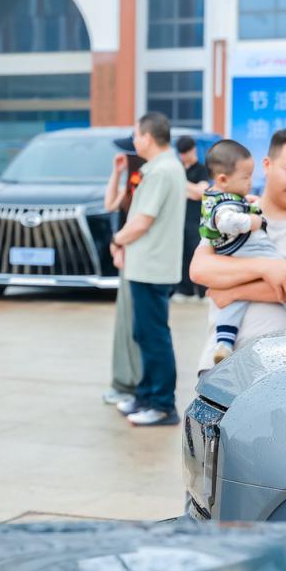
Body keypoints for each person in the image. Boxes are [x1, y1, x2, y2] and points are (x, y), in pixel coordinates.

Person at [190, 128, 286, 375]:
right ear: (267, 165)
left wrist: (232, 291)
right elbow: (200, 270)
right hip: (220, 368)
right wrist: (267, 268)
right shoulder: (233, 214)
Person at [199, 139, 286, 364]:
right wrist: (251, 221)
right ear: (223, 180)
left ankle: (224, 342)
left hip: (232, 254)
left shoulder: (216, 197)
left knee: (236, 299)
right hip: (252, 249)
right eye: (246, 177)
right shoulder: (223, 206)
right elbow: (226, 220)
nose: (250, 182)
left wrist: (247, 204)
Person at [109, 112, 186, 427]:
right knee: (144, 334)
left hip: (152, 266)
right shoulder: (161, 167)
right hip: (146, 265)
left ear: (148, 137)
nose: (134, 140)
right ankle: (144, 396)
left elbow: (142, 220)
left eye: (136, 135)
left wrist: (116, 240)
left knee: (154, 338)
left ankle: (163, 405)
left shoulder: (162, 171)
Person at [101, 143, 144, 408]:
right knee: (124, 326)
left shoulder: (144, 182)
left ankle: (130, 385)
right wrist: (116, 173)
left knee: (131, 327)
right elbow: (110, 204)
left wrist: (118, 243)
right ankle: (123, 383)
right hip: (126, 259)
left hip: (134, 260)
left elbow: (140, 223)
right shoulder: (132, 183)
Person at [175, 135, 210, 301]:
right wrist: (190, 189)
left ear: (193, 150)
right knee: (182, 254)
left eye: (185, 152)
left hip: (196, 220)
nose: (183, 156)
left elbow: (201, 192)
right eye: (180, 153)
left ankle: (203, 291)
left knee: (197, 252)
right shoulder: (179, 168)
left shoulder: (201, 169)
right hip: (179, 219)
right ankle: (185, 291)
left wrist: (182, 183)